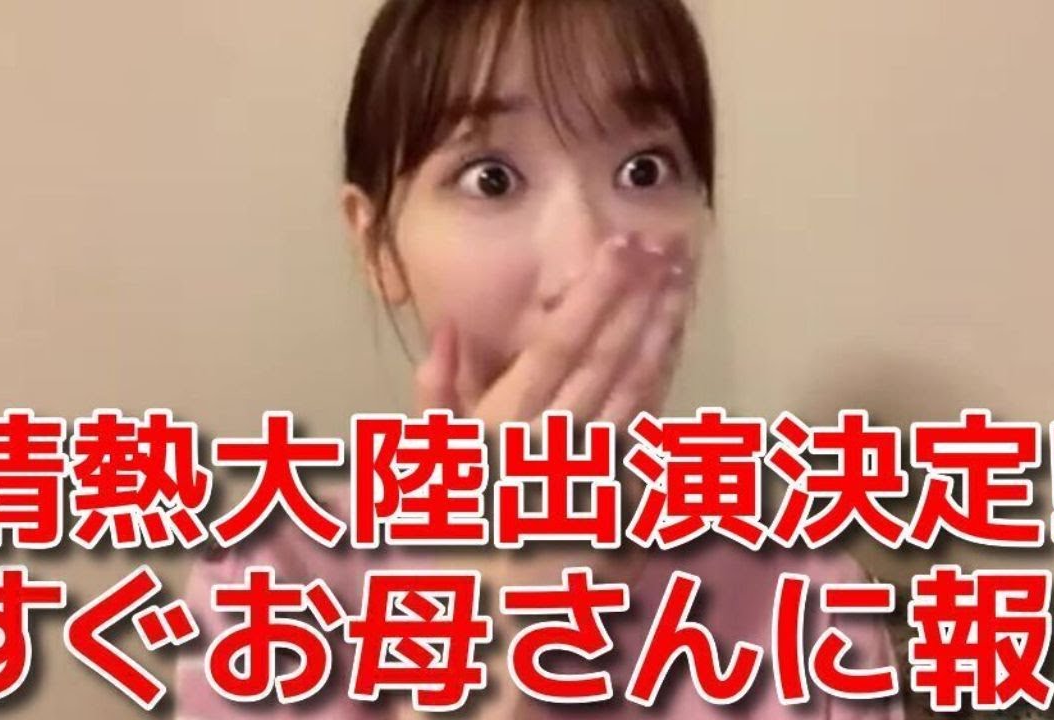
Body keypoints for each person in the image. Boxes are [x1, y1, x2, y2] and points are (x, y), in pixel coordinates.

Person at [177, 1, 904, 718]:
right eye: (490, 177)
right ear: (377, 246)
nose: (587, 262)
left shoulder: (808, 590)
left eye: (644, 170)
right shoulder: (272, 585)